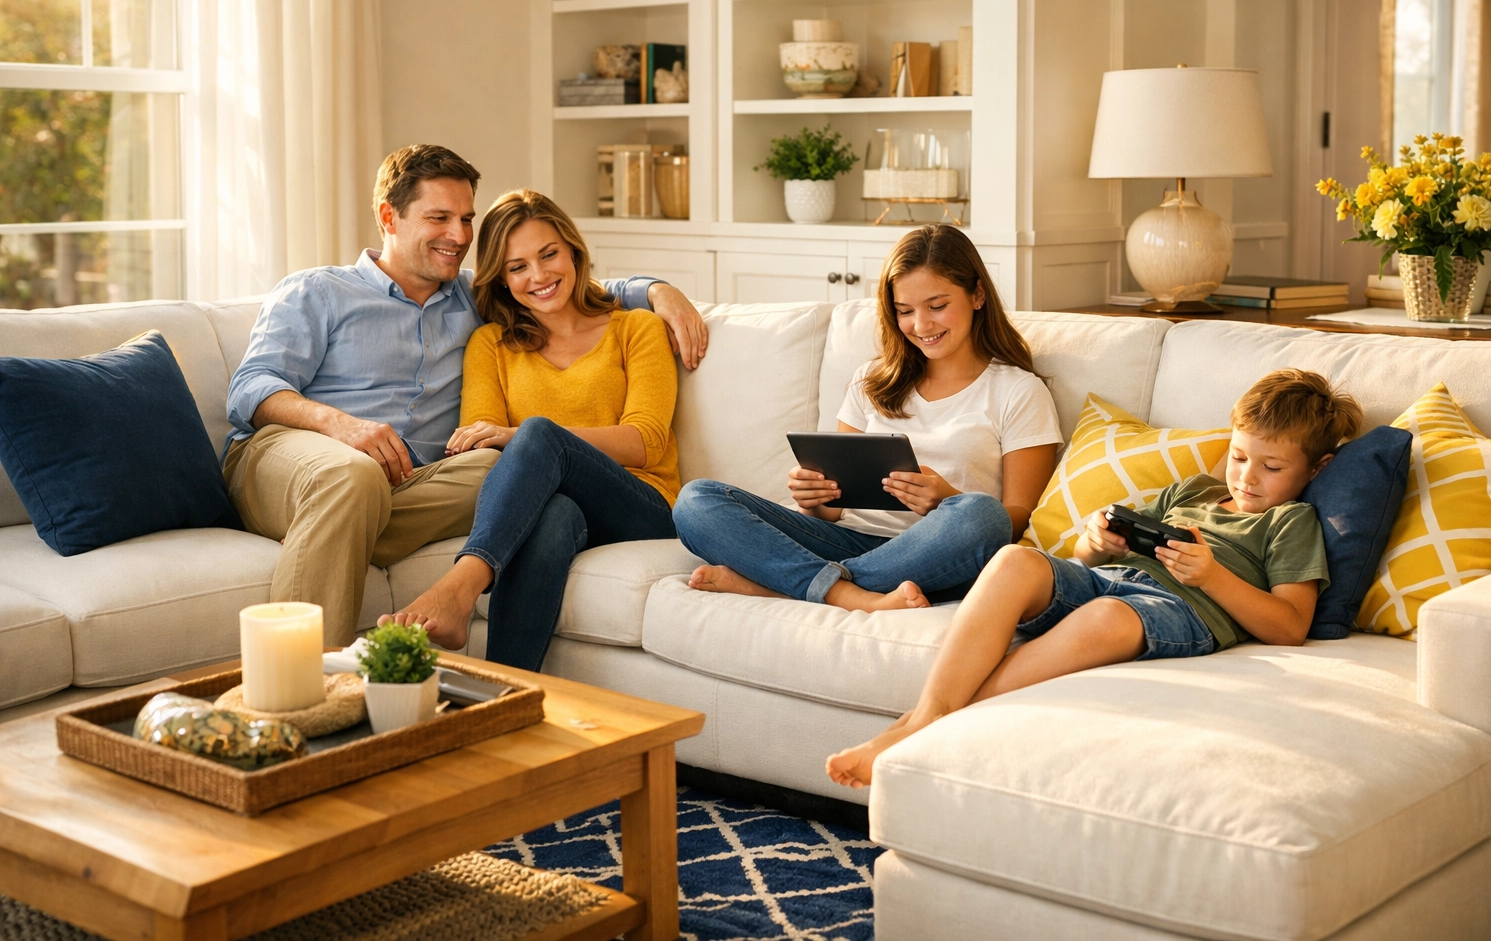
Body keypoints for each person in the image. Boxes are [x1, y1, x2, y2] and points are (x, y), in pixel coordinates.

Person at [223, 145, 706, 645]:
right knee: (352, 476)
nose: (458, 236)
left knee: (508, 470)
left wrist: (657, 290)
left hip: (411, 484)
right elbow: (250, 388)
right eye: (439, 218)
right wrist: (342, 426)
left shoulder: (475, 297)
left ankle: (334, 526)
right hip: (295, 456)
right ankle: (303, 679)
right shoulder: (317, 291)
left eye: (466, 219)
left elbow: (562, 287)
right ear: (389, 217)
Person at [826, 369, 1363, 788]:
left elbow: (1291, 626)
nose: (1247, 477)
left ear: (1317, 468)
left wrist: (1211, 576)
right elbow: (1086, 562)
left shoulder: (1291, 521)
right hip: (1113, 581)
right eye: (1240, 457)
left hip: (1181, 610)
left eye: (1271, 467)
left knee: (1107, 616)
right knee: (1015, 561)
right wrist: (1098, 542)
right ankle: (928, 715)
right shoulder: (1193, 491)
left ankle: (919, 727)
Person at [672, 223, 1061, 613]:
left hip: (937, 554)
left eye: (937, 306)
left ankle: (788, 584)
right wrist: (815, 499)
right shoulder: (871, 381)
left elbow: (1016, 520)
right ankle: (847, 594)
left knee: (981, 515)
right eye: (905, 311)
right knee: (696, 500)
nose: (921, 325)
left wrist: (947, 500)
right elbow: (835, 510)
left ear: (977, 294)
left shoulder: (1018, 391)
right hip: (845, 540)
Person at [378, 190, 680, 669]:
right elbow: (476, 445)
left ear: (573, 251)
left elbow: (646, 442)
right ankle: (503, 692)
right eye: (517, 267)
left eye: (548, 254)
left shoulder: (635, 329)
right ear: (501, 278)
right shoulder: (490, 345)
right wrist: (512, 438)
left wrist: (519, 434)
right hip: (550, 505)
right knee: (554, 514)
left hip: (641, 504)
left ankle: (459, 587)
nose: (538, 276)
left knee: (537, 432)